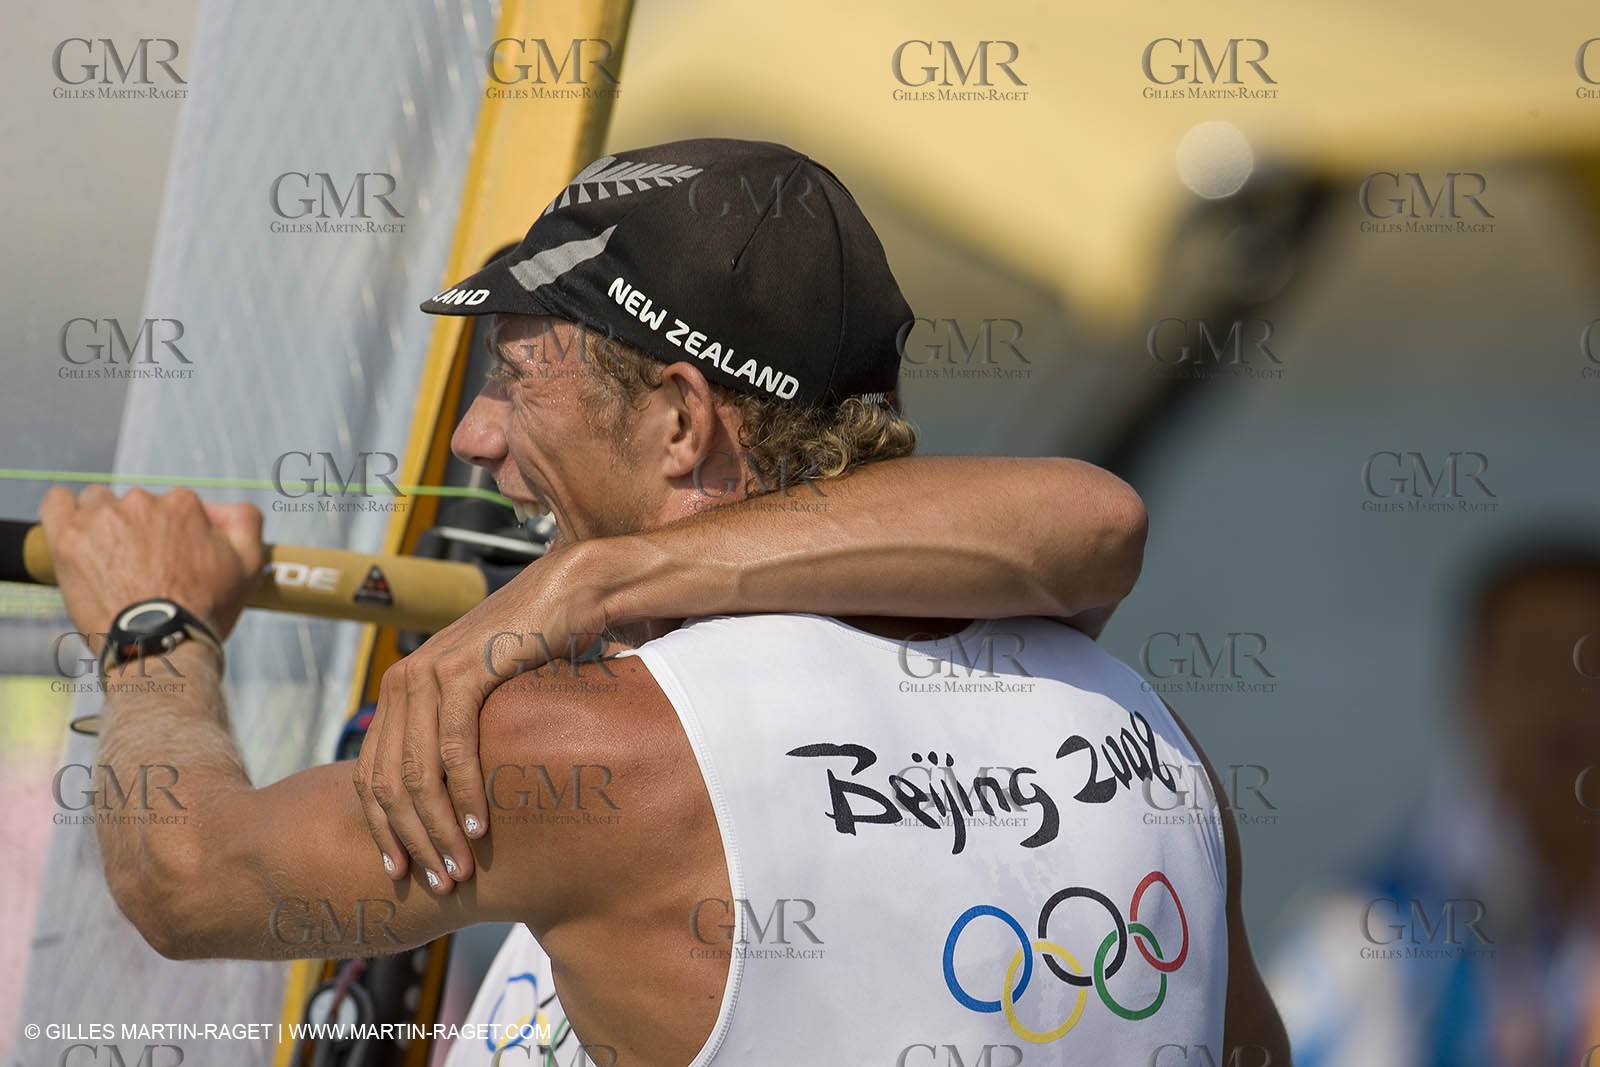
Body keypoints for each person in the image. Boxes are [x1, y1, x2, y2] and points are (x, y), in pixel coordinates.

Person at [43, 138, 1287, 1065]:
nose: (475, 433)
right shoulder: (1139, 732)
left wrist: (152, 625)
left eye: (517, 379)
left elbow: (185, 875)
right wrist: (604, 576)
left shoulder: (594, 745)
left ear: (684, 421)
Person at [1266, 543, 1600, 1067]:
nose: (1560, 700)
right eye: (1532, 662)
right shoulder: (1368, 932)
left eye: (1588, 664)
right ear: (1469, 691)